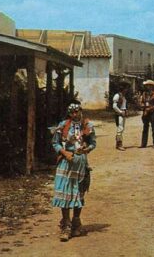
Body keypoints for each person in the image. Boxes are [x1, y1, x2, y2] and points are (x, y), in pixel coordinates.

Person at [51, 103, 96, 241]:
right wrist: (64, 152)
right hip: (66, 162)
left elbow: (93, 143)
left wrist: (86, 149)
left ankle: (76, 222)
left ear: (81, 111)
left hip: (81, 163)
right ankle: (66, 225)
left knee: (79, 192)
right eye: (73, 112)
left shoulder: (87, 126)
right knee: (65, 192)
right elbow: (55, 143)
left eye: (78, 111)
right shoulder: (63, 125)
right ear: (70, 114)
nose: (76, 114)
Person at [140, 79, 154, 148]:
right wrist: (142, 105)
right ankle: (143, 144)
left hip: (152, 112)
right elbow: (142, 102)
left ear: (152, 86)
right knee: (145, 128)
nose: (147, 87)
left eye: (149, 85)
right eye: (146, 85)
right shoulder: (144, 94)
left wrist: (151, 108)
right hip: (145, 112)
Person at [112, 85, 128, 151]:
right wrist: (121, 112)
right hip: (120, 114)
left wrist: (125, 111)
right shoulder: (117, 95)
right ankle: (119, 144)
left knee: (121, 129)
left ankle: (118, 144)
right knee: (120, 129)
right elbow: (114, 106)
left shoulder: (123, 96)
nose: (126, 90)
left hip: (123, 113)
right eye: (126, 89)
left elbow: (124, 105)